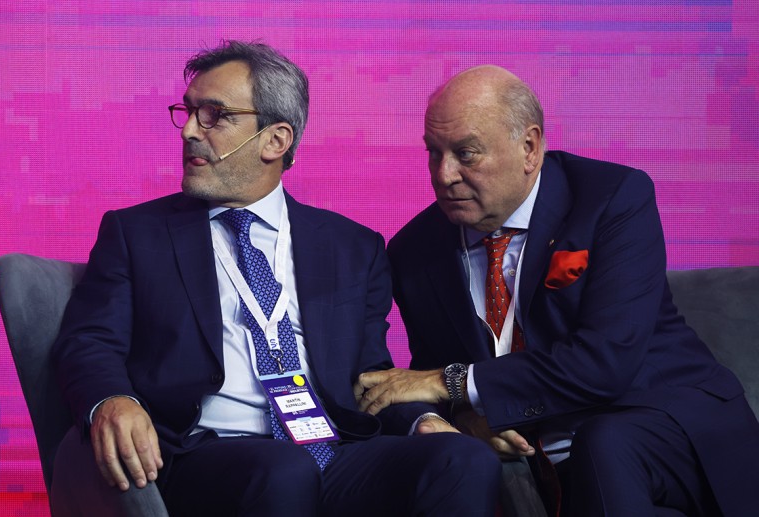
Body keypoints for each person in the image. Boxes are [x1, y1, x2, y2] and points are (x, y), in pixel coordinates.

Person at [50, 41, 501, 517]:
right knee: (285, 470)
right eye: (188, 112)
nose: (189, 130)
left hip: (331, 448)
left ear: (275, 140)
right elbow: (89, 341)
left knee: (462, 458)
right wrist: (112, 399)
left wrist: (421, 420)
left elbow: (370, 374)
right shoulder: (137, 234)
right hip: (205, 454)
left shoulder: (352, 247)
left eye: (214, 115)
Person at [353, 65, 759, 516]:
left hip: (663, 418)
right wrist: (465, 415)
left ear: (529, 147)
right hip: (539, 453)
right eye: (434, 152)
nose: (444, 174)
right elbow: (430, 376)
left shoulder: (612, 199)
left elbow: (605, 362)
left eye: (466, 154)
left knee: (605, 442)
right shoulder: (414, 251)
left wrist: (452, 382)